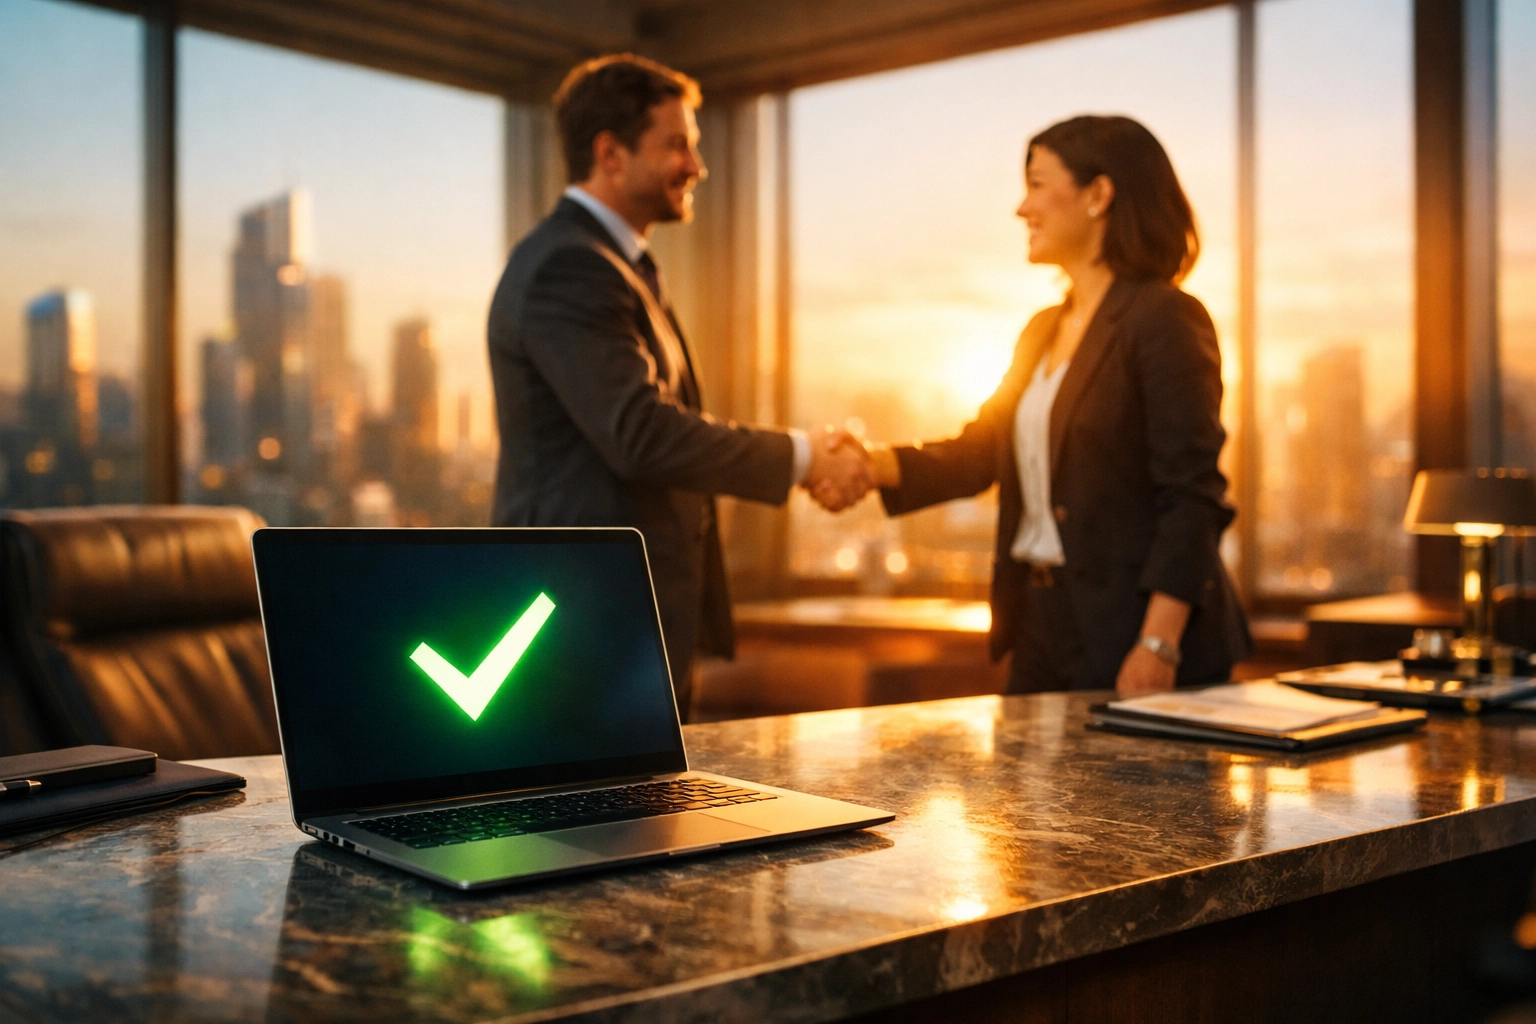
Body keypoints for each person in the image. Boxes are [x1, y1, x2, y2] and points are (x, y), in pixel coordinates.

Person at [487, 54, 871, 720]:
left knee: (648, 818)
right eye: (678, 145)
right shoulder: (569, 267)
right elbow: (642, 433)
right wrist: (804, 456)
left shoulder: (617, 266)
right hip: (580, 622)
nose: (697, 166)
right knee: (596, 821)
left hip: (625, 619)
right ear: (610, 153)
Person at [862, 115, 1251, 696]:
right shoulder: (1040, 331)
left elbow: (1192, 497)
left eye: (1038, 184)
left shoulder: (1164, 319)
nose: (1023, 208)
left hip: (1135, 632)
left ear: (1099, 194)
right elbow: (979, 453)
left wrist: (1157, 644)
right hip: (1042, 626)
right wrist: (864, 464)